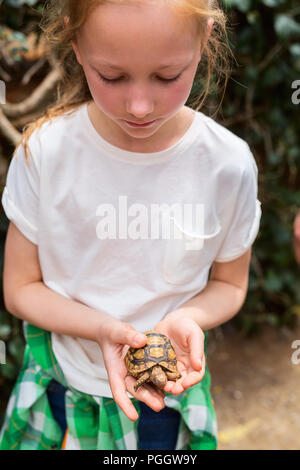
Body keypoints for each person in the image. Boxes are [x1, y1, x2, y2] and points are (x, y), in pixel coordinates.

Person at [0, 0, 262, 450]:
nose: (140, 105)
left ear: (204, 43)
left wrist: (187, 317)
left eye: (166, 76)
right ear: (76, 45)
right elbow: (20, 288)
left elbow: (230, 285)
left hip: (165, 399)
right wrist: (101, 328)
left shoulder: (227, 165)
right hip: (63, 386)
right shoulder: (45, 151)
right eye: (112, 76)